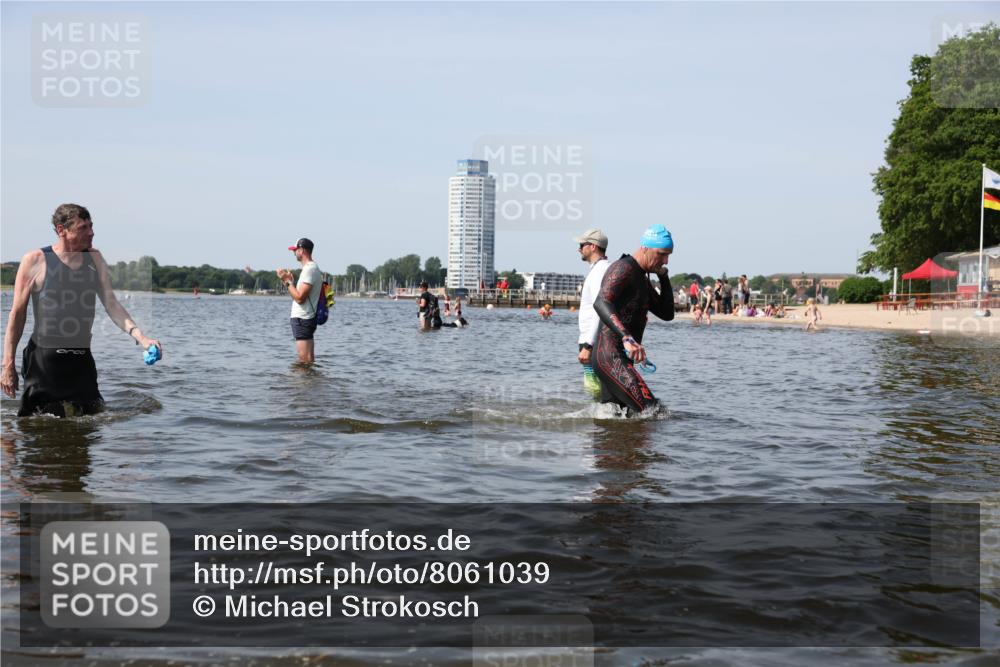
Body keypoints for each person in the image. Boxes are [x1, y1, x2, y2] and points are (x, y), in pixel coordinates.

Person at [1, 204, 162, 417]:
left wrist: (142, 338)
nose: (91, 232)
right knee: (36, 429)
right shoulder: (35, 260)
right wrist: (7, 364)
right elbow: (17, 315)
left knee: (91, 422)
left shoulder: (94, 259)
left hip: (81, 361)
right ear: (62, 230)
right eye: (83, 227)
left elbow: (111, 304)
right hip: (43, 363)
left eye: (91, 226)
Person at [592, 224, 675, 415]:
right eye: (661, 254)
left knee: (614, 420)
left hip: (618, 359)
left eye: (668, 255)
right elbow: (601, 302)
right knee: (654, 413)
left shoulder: (641, 278)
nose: (666, 260)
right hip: (609, 357)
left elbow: (667, 313)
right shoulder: (623, 268)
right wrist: (627, 338)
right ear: (645, 248)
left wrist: (663, 276)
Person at [574, 228, 610, 399]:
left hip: (593, 341)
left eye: (582, 245)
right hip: (595, 338)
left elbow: (600, 308)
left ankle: (598, 423)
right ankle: (604, 423)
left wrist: (588, 344)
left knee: (594, 387)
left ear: (593, 247)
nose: (579, 249)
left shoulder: (599, 271)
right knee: (597, 387)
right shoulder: (602, 268)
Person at [276, 237, 323, 362]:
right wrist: (291, 282)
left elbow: (300, 298)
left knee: (304, 360)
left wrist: (286, 281)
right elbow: (301, 294)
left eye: (295, 250)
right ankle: (308, 380)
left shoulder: (310, 269)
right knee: (307, 360)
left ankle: (303, 381)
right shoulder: (310, 269)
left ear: (302, 250)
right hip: (304, 318)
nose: (294, 253)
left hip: (303, 318)